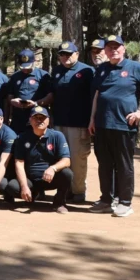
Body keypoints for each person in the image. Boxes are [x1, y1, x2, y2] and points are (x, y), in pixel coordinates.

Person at [88, 35, 140, 217]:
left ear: (123, 49)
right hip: (101, 124)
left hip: (124, 125)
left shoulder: (134, 67)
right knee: (104, 164)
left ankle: (124, 202)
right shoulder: (102, 69)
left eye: (117, 47)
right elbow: (97, 96)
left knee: (124, 165)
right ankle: (106, 199)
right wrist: (92, 119)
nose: (113, 50)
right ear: (105, 51)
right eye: (110, 47)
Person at [39, 41, 95, 204]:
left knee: (77, 159)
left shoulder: (87, 71)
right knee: (60, 158)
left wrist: (91, 121)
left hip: (79, 123)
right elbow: (52, 96)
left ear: (77, 54)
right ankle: (65, 189)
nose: (65, 57)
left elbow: (94, 98)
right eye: (62, 54)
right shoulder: (56, 71)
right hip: (58, 122)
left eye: (69, 54)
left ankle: (78, 191)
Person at [3, 106, 73, 213]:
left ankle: (59, 202)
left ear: (48, 120)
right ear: (30, 120)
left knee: (67, 173)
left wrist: (53, 168)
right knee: (12, 187)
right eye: (36, 118)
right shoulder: (22, 138)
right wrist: (24, 186)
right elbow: (19, 163)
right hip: (30, 179)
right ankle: (33, 194)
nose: (39, 120)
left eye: (42, 118)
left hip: (50, 178)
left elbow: (66, 160)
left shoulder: (57, 136)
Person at [4, 49, 51, 134]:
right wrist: (12, 101)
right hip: (18, 118)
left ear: (34, 62)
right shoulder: (15, 77)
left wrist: (36, 103)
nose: (25, 70)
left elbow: (50, 96)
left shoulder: (43, 75)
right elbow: (10, 95)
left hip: (38, 117)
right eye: (23, 67)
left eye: (28, 67)